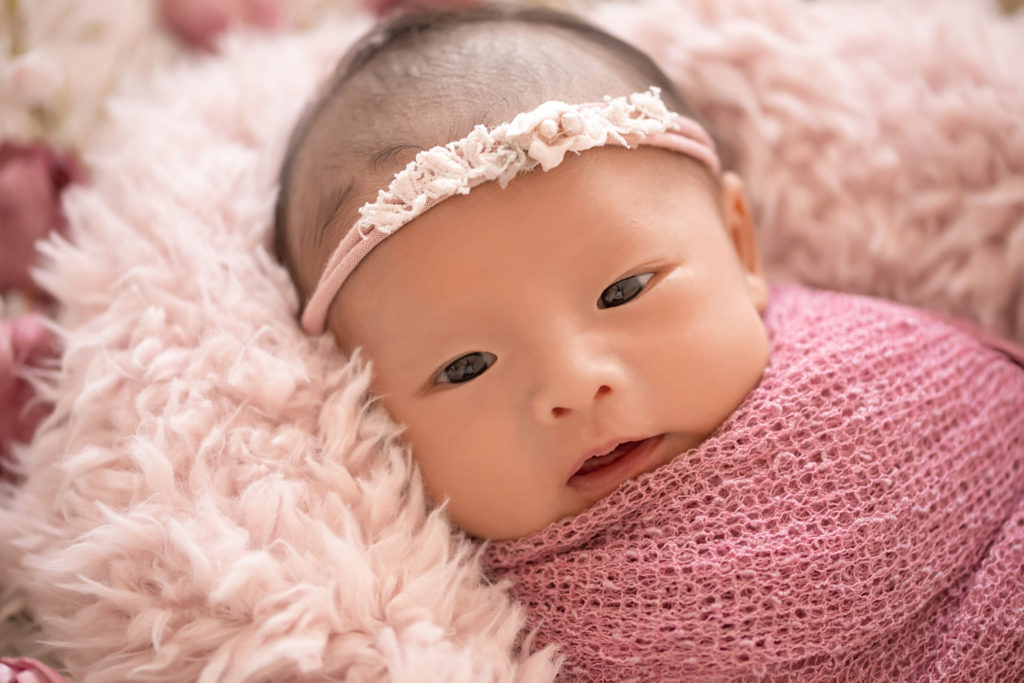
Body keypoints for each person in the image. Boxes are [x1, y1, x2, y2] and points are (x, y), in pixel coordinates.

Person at [273, 5, 1024, 679]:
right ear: (366, 415)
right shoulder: (456, 620)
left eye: (625, 291)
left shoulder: (890, 374)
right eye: (466, 366)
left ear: (741, 245)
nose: (573, 385)